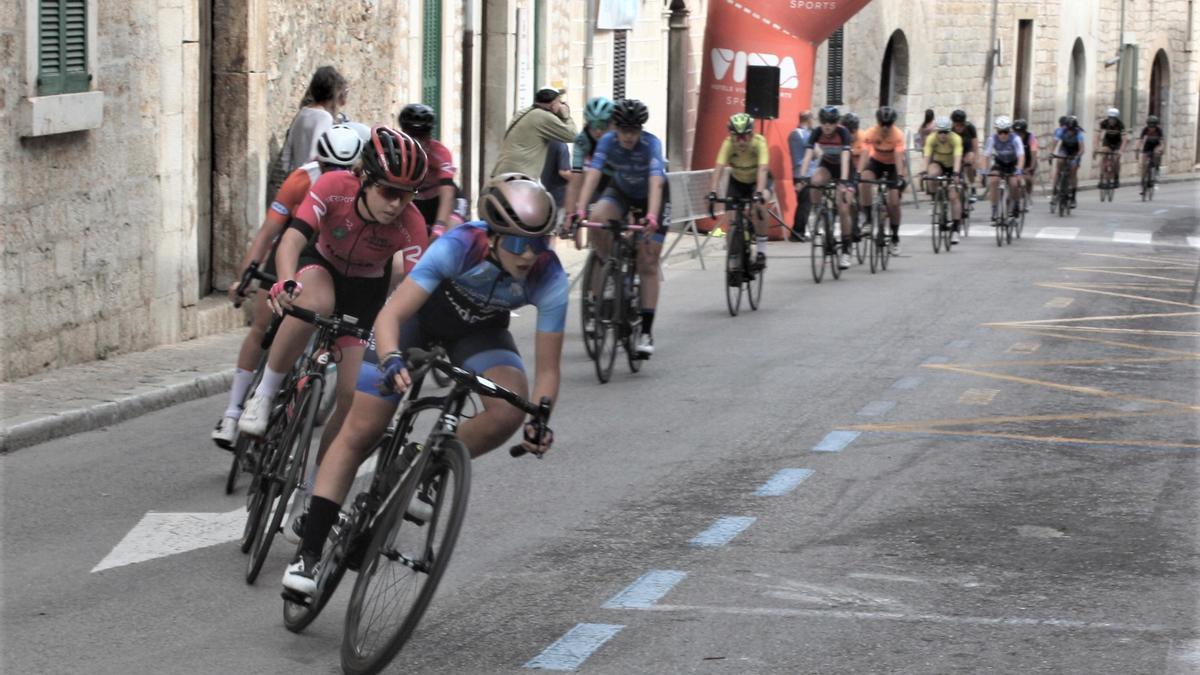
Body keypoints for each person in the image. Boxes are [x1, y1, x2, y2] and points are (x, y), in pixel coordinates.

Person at [282, 174, 566, 596]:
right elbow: (391, 316)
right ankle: (308, 552)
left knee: (510, 408)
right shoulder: (460, 245)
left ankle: (420, 460)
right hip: (416, 322)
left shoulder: (549, 276)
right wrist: (393, 355)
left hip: (478, 333)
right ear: (493, 235)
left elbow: (548, 371)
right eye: (519, 244)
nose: (529, 256)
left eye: (539, 243)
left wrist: (540, 416)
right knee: (362, 428)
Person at [237, 127, 430, 506]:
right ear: (363, 178)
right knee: (316, 303)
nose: (396, 204)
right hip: (320, 264)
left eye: (406, 195)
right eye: (388, 191)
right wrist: (286, 280)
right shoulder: (332, 186)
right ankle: (265, 392)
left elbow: (414, 285)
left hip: (365, 291)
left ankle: (314, 486)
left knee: (350, 395)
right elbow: (292, 238)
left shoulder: (411, 224)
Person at [211, 124, 367, 447]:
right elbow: (268, 234)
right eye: (327, 167)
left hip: (330, 260)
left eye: (342, 169)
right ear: (318, 162)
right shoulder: (299, 180)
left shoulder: (361, 191)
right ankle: (232, 412)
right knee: (262, 325)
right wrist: (245, 277)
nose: (333, 175)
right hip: (294, 250)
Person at [568, 98, 667, 356]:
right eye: (623, 130)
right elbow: (593, 175)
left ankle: (645, 331)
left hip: (651, 196)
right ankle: (611, 268)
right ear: (616, 128)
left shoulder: (651, 144)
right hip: (622, 191)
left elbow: (656, 181)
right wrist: (580, 210)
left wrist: (652, 217)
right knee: (598, 218)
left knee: (647, 261)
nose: (628, 137)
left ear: (640, 130)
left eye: (633, 131)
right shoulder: (607, 141)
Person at [706, 112, 773, 273]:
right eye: (737, 136)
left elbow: (763, 170)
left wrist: (758, 193)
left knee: (761, 204)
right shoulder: (728, 144)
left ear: (752, 134)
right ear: (731, 135)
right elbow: (718, 170)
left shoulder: (759, 143)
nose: (741, 141)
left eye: (745, 136)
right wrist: (713, 192)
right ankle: (735, 256)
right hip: (737, 181)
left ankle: (762, 251)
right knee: (731, 220)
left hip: (758, 180)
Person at [797, 105, 855, 269]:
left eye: (831, 122)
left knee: (843, 208)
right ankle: (818, 212)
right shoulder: (816, 132)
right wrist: (802, 177)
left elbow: (845, 158)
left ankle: (846, 250)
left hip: (845, 169)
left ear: (836, 123)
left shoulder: (843, 133)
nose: (827, 125)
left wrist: (843, 182)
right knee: (814, 180)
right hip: (828, 165)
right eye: (824, 122)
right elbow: (808, 155)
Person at [398, 103, 462, 239]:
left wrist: (440, 226)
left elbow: (447, 192)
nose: (418, 140)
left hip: (441, 199)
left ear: (430, 133)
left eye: (423, 134)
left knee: (451, 235)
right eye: (412, 134)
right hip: (416, 199)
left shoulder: (440, 153)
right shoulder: (396, 149)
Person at [490, 87, 578, 178]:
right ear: (553, 104)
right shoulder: (543, 117)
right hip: (520, 175)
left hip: (502, 170)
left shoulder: (523, 113)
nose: (561, 105)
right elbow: (573, 135)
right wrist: (566, 116)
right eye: (560, 102)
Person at [280, 66, 349, 176]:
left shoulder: (303, 113)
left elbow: (287, 151)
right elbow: (316, 155)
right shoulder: (324, 118)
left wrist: (290, 175)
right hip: (311, 180)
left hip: (296, 177)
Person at [858, 106, 908, 254]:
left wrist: (900, 176)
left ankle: (895, 236)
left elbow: (899, 158)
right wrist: (859, 172)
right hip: (877, 163)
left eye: (889, 125)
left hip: (893, 165)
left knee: (894, 202)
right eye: (883, 124)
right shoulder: (871, 132)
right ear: (878, 122)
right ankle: (867, 219)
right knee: (864, 180)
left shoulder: (897, 134)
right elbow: (865, 153)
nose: (885, 128)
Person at [922, 116, 964, 243]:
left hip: (953, 167)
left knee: (953, 196)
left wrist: (956, 174)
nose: (943, 135)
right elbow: (927, 156)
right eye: (940, 132)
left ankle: (956, 228)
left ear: (950, 132)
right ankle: (936, 201)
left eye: (946, 132)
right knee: (931, 173)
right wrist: (925, 172)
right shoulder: (931, 139)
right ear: (936, 132)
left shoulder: (956, 139)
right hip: (939, 164)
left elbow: (957, 157)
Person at [982, 115, 1025, 223]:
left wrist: (1019, 170)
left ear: (1009, 131)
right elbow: (985, 156)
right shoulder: (992, 139)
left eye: (1005, 132)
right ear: (997, 131)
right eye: (1000, 132)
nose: (1002, 135)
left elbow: (1021, 156)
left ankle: (1015, 202)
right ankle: (994, 210)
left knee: (1014, 184)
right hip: (1000, 163)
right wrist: (984, 171)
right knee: (993, 181)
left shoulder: (1016, 139)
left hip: (1013, 164)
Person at [787, 111, 815, 242]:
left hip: (798, 173)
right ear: (809, 119)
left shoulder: (794, 133)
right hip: (806, 173)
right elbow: (813, 153)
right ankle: (798, 232)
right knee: (805, 204)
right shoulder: (805, 135)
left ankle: (798, 231)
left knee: (802, 203)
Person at [1050, 115, 1085, 208]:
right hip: (1064, 149)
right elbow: (1055, 142)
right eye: (1068, 129)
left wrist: (1077, 156)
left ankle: (1073, 197)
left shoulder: (1079, 133)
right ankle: (1055, 191)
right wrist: (1051, 153)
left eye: (1072, 130)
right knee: (1060, 162)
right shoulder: (1061, 131)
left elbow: (1082, 149)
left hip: (1075, 151)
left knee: (1073, 170)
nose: (1070, 131)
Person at [950, 109, 979, 201]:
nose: (958, 127)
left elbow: (975, 146)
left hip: (967, 150)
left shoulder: (970, 128)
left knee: (968, 163)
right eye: (956, 124)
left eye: (961, 125)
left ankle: (973, 186)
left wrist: (975, 161)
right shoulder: (950, 130)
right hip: (955, 152)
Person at [1095, 107, 1126, 188]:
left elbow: (1124, 140)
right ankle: (1101, 177)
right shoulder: (1104, 123)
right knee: (1103, 155)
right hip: (1107, 142)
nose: (1111, 120)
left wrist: (1121, 151)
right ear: (1108, 118)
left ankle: (1116, 177)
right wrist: (1096, 147)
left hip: (1117, 143)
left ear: (1116, 119)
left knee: (1116, 159)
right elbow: (1097, 136)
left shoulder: (1120, 125)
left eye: (1113, 119)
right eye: (1110, 118)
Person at [1135, 115, 1165, 196]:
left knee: (1156, 153)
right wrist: (1137, 149)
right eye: (1149, 126)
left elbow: (1162, 143)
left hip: (1156, 145)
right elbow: (1140, 141)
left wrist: (1161, 149)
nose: (1151, 128)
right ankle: (1142, 184)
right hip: (1147, 146)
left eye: (1153, 126)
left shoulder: (1159, 130)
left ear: (1156, 125)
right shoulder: (1145, 129)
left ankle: (1156, 170)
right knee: (1144, 164)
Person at [1012, 119, 1038, 208]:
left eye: (1021, 132)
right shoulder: (1012, 137)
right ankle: (1014, 198)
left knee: (1028, 179)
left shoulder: (1031, 137)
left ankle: (1028, 195)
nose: (1019, 134)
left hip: (1028, 161)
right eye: (1017, 132)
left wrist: (1031, 166)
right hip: (1016, 161)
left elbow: (1033, 153)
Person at [541, 139, 572, 212]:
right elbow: (563, 171)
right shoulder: (562, 145)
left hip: (543, 193)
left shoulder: (544, 142)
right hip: (558, 197)